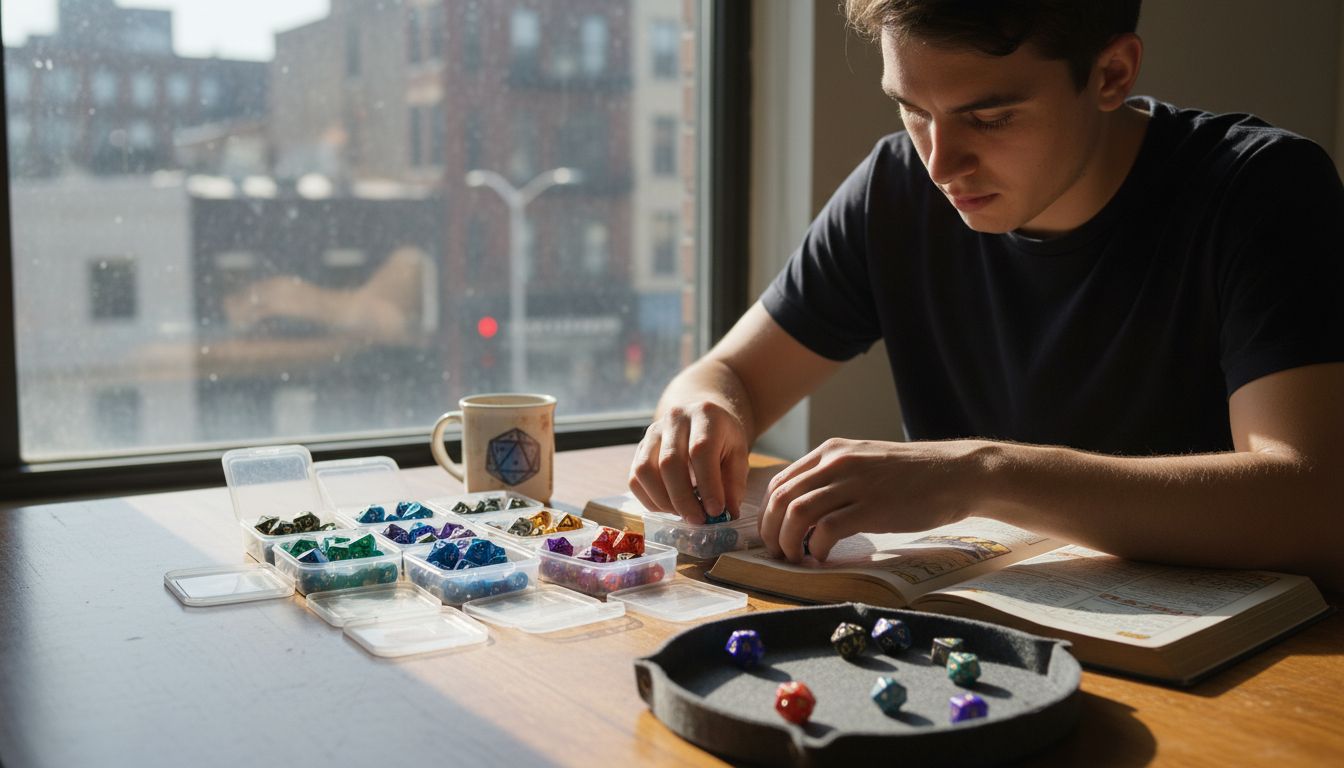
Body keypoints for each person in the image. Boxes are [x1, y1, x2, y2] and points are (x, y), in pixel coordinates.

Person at [627, 0, 1344, 592]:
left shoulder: (1260, 190)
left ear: (1112, 73)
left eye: (991, 118)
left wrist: (977, 475)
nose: (941, 162)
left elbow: (1315, 503)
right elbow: (729, 377)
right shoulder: (897, 188)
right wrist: (699, 407)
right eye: (911, 109)